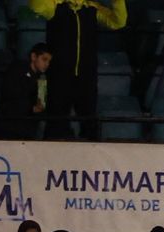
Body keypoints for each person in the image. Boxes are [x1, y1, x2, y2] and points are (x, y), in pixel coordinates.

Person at [29, 0, 126, 137]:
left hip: (86, 77)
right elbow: (36, 6)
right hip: (59, 77)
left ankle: (92, 156)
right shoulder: (55, 6)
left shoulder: (92, 8)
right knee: (56, 124)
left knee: (89, 123)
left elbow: (118, 22)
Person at [0, 43, 54, 138]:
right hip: (9, 128)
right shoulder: (17, 70)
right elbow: (10, 97)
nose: (47, 64)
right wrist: (31, 108)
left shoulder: (42, 79)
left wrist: (40, 108)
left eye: (49, 61)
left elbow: (41, 105)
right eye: (44, 59)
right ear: (33, 56)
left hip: (28, 131)